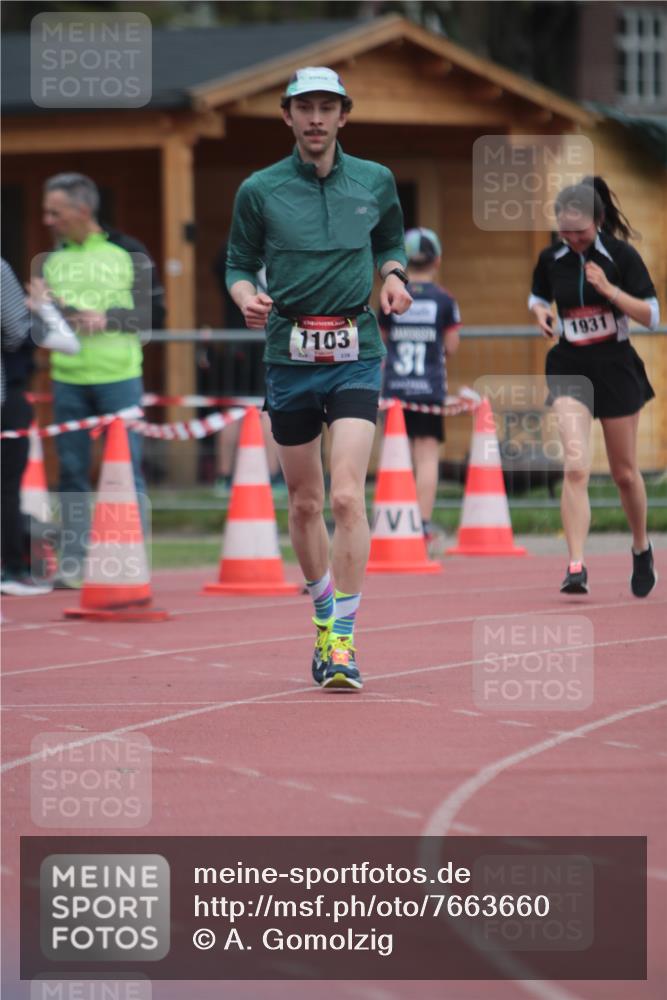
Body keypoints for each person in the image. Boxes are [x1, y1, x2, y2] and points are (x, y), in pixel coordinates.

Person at [226, 66, 412, 690]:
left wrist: (392, 277)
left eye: (325, 107)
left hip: (357, 347)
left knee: (345, 496)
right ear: (287, 115)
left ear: (342, 115)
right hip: (290, 354)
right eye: (303, 107)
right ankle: (323, 615)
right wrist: (247, 296)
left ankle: (344, 642)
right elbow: (238, 263)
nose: (314, 118)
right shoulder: (260, 189)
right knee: (305, 501)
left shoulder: (376, 180)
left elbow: (391, 241)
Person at [529, 175, 659, 596]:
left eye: (580, 231)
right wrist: (541, 314)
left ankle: (641, 546)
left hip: (616, 366)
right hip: (570, 365)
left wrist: (610, 290)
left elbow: (651, 315)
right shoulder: (552, 259)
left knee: (623, 473)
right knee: (576, 465)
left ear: (598, 221)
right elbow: (537, 296)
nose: (572, 238)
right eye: (564, 230)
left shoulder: (622, 256)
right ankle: (576, 564)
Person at [40, 172, 165, 587]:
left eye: (55, 212)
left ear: (82, 210)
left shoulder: (127, 252)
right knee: (72, 472)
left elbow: (155, 315)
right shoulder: (53, 261)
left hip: (119, 377)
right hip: (67, 379)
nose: (47, 220)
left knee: (127, 472)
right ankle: (73, 564)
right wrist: (40, 310)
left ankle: (130, 560)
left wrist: (108, 319)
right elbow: (48, 325)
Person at [378, 227, 461, 550]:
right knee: (427, 457)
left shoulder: (392, 295)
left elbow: (382, 339)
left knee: (396, 457)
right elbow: (452, 345)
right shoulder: (444, 300)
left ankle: (391, 522)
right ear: (437, 261)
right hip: (428, 388)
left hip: (395, 389)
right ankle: (421, 524)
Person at [1, 259, 79, 595]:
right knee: (6, 485)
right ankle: (12, 568)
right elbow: (20, 333)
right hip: (9, 393)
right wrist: (42, 309)